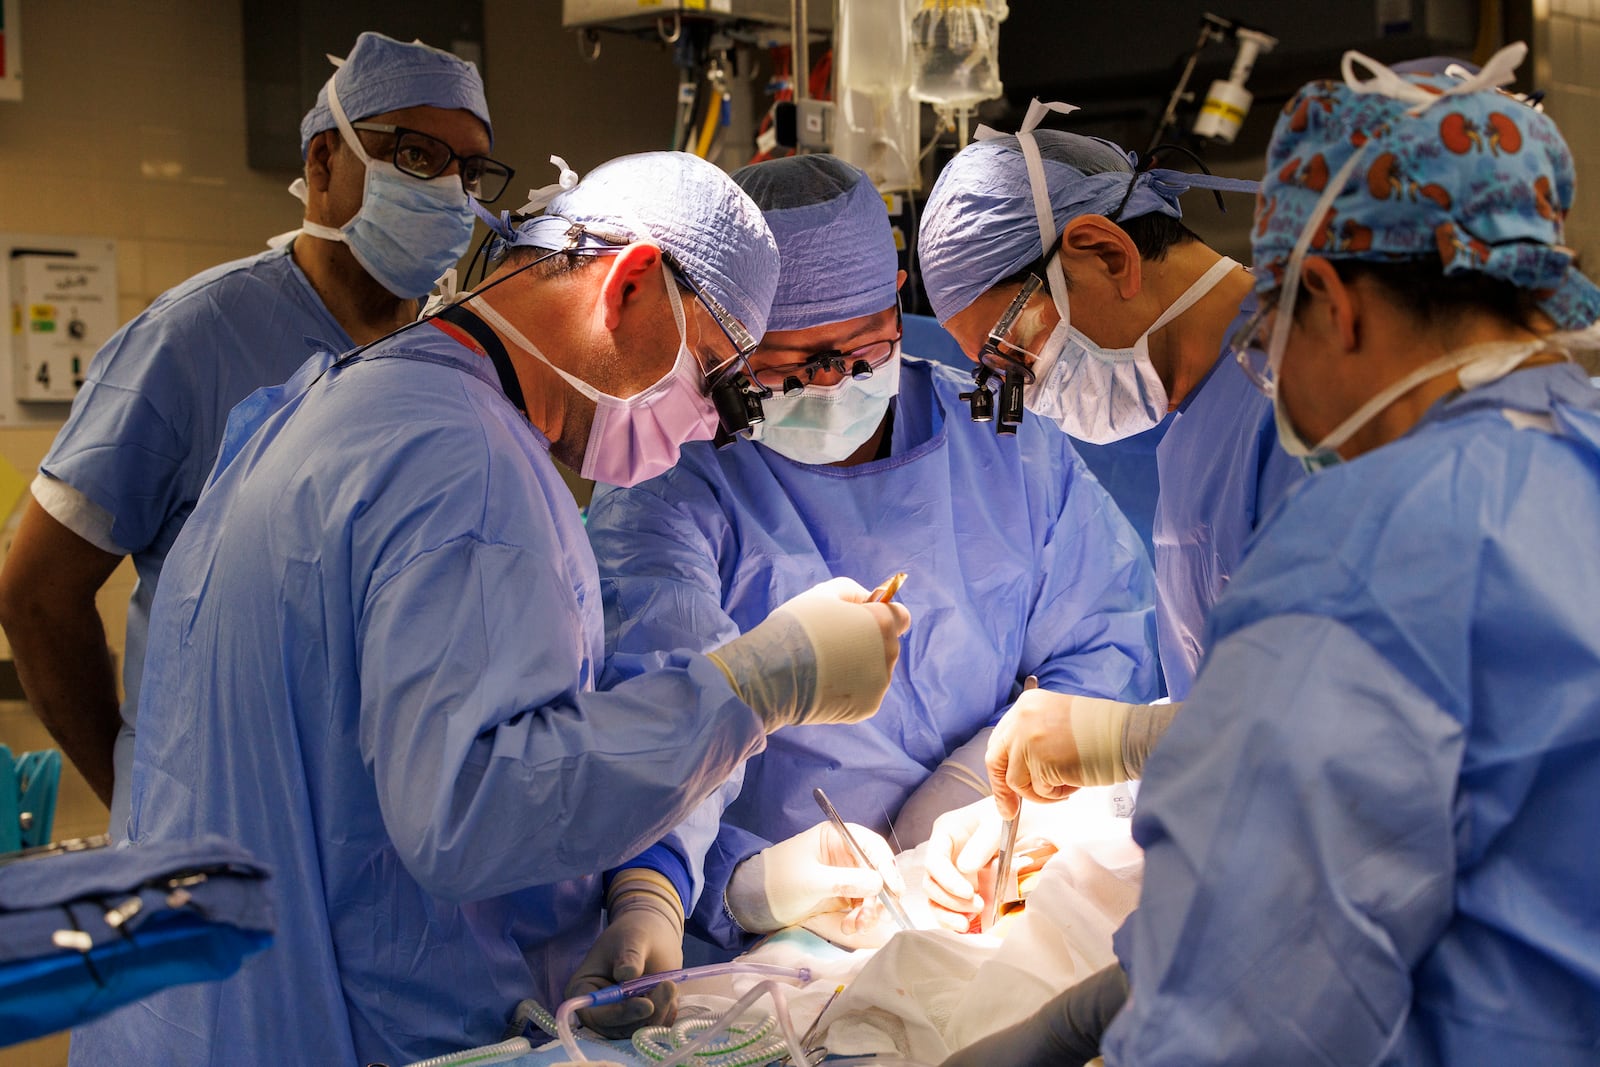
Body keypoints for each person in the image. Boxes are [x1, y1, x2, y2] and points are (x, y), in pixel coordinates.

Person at [67, 151, 911, 1067]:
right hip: (334, 1028)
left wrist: (643, 893)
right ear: (628, 285)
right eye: (710, 373)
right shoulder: (463, 462)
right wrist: (760, 683)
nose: (709, 422)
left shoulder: (355, 400)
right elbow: (472, 811)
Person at [946, 42, 1600, 1065]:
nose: (1262, 368)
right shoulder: (1577, 453)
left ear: (1333, 304)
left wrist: (1126, 1024)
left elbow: (1248, 997)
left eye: (1268, 335)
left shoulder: (1364, 546)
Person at [586, 154, 1158, 951]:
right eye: (791, 367)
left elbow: (1104, 650)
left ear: (897, 302)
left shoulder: (1002, 445)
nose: (831, 386)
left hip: (995, 886)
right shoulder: (673, 478)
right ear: (733, 344)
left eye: (861, 353)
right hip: (762, 942)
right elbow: (660, 713)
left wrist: (983, 791)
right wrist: (720, 887)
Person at [0, 32, 509, 838]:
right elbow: (35, 592)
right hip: (219, 833)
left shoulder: (455, 356)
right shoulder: (194, 339)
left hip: (390, 843)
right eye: (415, 155)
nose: (449, 190)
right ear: (320, 165)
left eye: (468, 169)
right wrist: (147, 796)